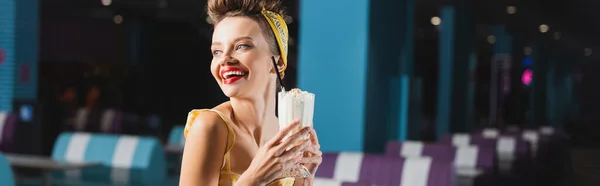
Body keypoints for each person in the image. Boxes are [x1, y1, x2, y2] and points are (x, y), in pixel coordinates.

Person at [179, 0, 322, 185]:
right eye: (217, 51)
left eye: (242, 46)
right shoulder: (210, 126)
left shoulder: (287, 136)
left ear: (277, 63)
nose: (225, 59)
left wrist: (306, 178)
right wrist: (254, 179)